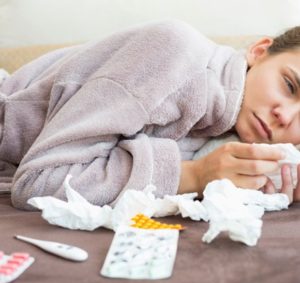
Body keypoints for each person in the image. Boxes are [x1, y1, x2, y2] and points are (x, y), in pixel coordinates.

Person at [0, 20, 299, 210]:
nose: (285, 117)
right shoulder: (175, 53)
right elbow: (38, 183)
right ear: (259, 51)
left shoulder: (227, 127)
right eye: (289, 85)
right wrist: (195, 175)